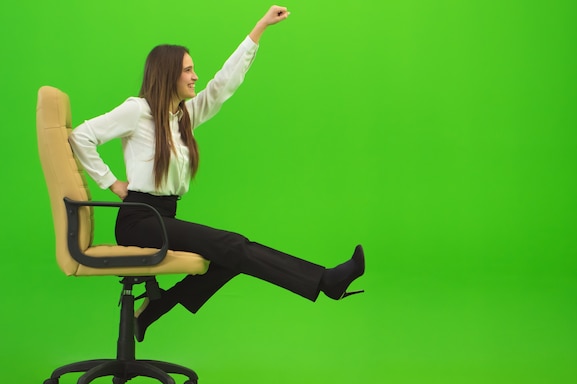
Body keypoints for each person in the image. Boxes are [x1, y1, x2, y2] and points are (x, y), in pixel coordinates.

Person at [69, 5, 365, 342]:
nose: (195, 76)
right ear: (168, 74)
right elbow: (81, 136)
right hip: (139, 221)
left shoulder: (183, 116)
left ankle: (155, 308)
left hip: (164, 216)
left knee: (230, 255)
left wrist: (259, 29)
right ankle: (326, 281)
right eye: (188, 70)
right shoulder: (138, 111)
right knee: (233, 246)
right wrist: (111, 183)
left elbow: (223, 84)